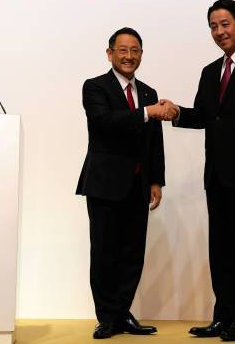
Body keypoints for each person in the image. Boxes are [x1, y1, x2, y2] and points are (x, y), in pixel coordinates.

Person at [163, 0, 235, 341]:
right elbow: (204, 115)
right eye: (213, 26)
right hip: (216, 174)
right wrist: (178, 114)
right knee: (222, 249)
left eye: (225, 24)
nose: (220, 32)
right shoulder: (209, 70)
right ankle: (223, 316)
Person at [76, 27, 176, 339]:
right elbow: (105, 123)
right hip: (105, 184)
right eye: (122, 50)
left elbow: (153, 139)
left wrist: (156, 179)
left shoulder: (147, 91)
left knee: (133, 253)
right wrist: (147, 112)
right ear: (110, 54)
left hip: (138, 184)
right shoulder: (95, 87)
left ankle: (122, 313)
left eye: (135, 50)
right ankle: (106, 317)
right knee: (105, 252)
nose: (129, 56)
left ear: (141, 55)